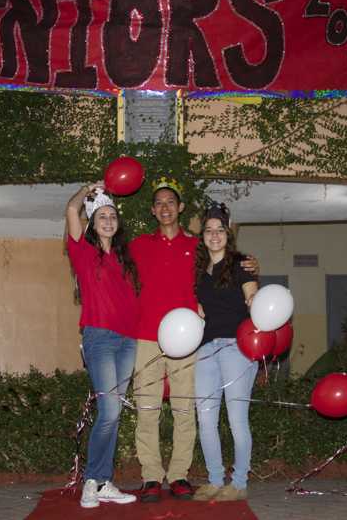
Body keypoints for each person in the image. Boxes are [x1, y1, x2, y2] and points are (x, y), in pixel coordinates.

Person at [130, 178, 258, 503]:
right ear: (152, 210)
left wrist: (251, 265)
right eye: (158, 203)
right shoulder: (138, 245)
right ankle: (150, 476)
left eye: (170, 202)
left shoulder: (196, 250)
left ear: (181, 208)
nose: (165, 208)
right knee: (147, 410)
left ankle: (178, 475)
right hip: (147, 337)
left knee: (186, 410)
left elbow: (232, 270)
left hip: (189, 341)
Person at [65, 183, 140, 509]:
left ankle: (104, 480)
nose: (108, 221)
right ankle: (92, 481)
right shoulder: (83, 253)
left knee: (114, 411)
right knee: (108, 410)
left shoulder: (127, 259)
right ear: (93, 224)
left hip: (128, 340)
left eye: (112, 216)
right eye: (102, 217)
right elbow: (70, 211)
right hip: (99, 338)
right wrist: (86, 191)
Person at [192, 203, 259, 502]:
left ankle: (240, 482)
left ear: (228, 233)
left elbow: (253, 298)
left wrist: (257, 304)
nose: (214, 235)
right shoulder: (200, 271)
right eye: (209, 230)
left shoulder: (241, 263)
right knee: (205, 418)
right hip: (206, 349)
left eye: (220, 229)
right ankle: (215, 479)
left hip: (236, 348)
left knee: (236, 418)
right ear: (203, 235)